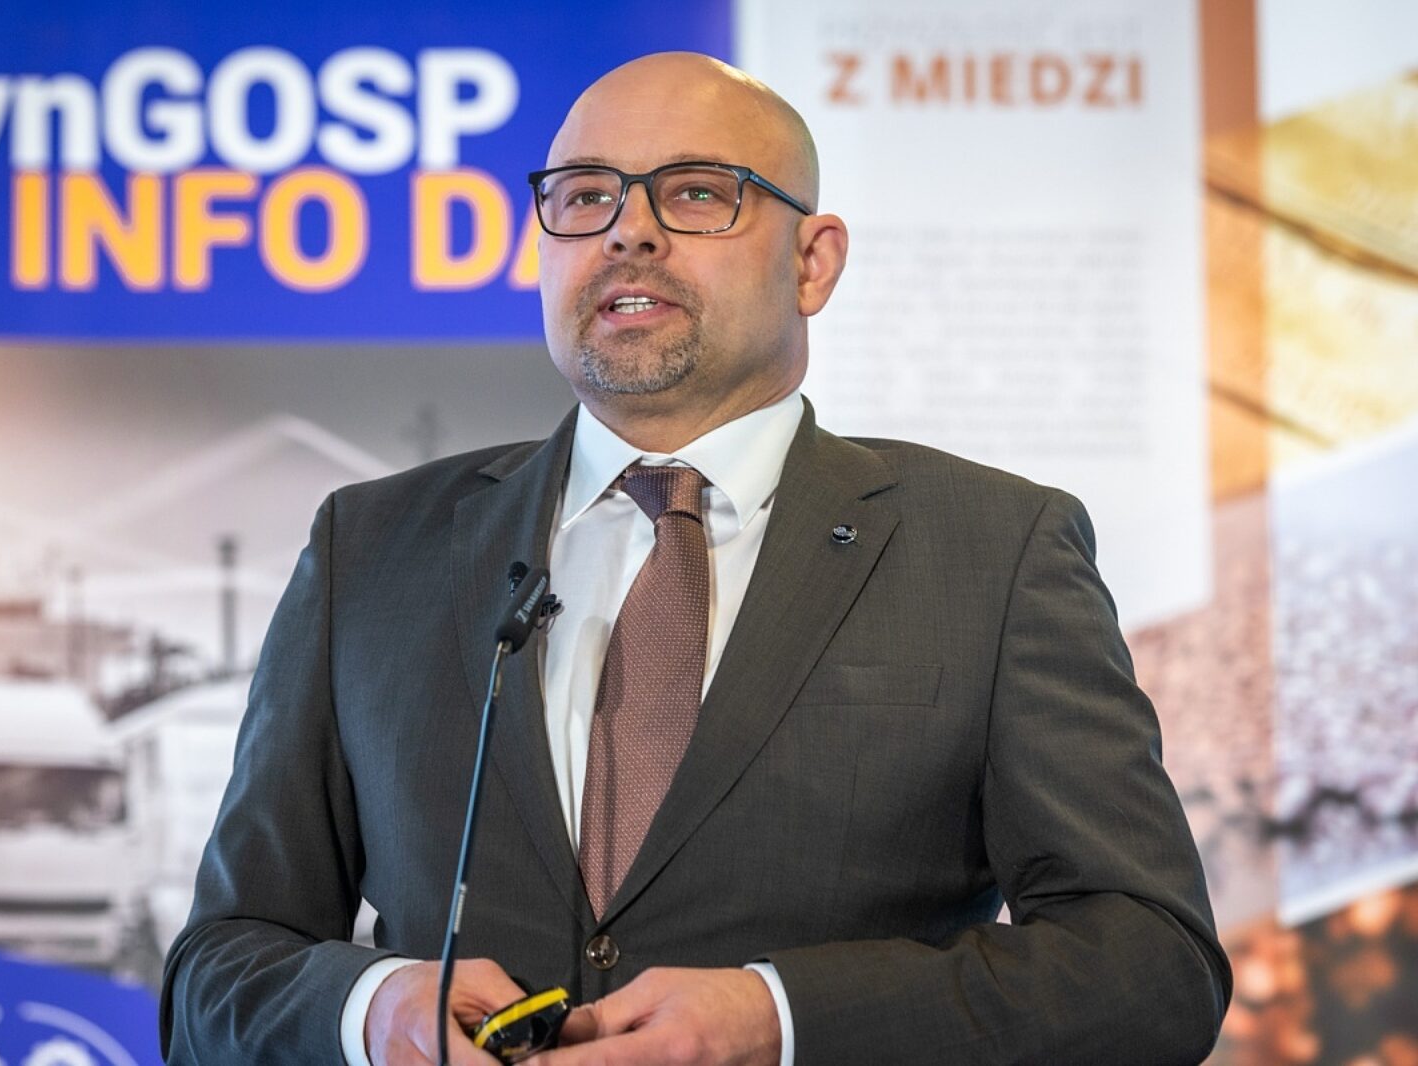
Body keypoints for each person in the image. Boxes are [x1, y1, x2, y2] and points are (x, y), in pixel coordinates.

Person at [161, 52, 1231, 1065]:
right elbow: (217, 968)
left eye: (695, 194)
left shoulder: (993, 550)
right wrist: (370, 1010)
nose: (628, 232)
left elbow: (1150, 967)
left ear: (813, 263)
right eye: (586, 196)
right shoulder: (371, 548)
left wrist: (782, 1020)